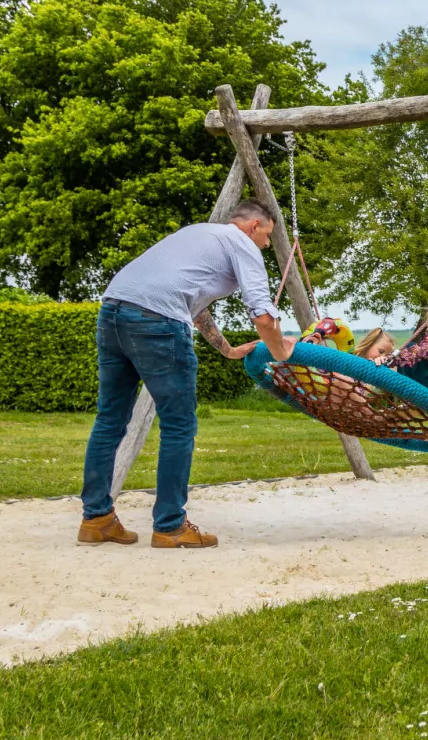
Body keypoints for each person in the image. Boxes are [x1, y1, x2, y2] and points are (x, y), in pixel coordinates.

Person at [78, 198, 295, 549]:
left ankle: (96, 520)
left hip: (112, 313)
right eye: (267, 236)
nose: (267, 245)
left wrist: (226, 349)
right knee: (179, 425)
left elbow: (194, 307)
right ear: (254, 226)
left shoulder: (196, 235)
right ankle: (170, 525)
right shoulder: (242, 244)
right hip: (157, 323)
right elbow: (264, 316)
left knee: (110, 419)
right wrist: (280, 352)